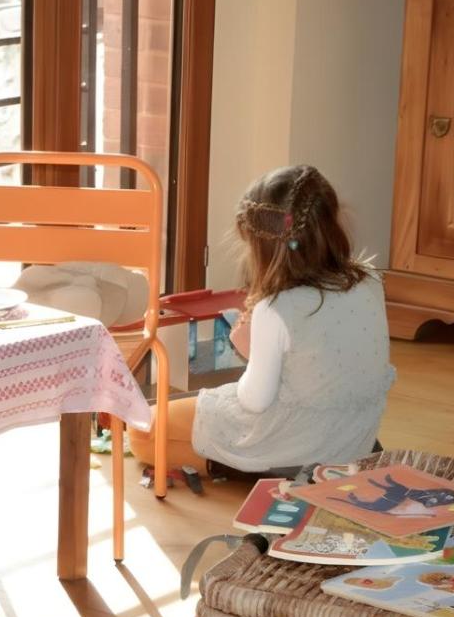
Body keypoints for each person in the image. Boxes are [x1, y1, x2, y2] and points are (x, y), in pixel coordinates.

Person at [129, 164, 394, 474]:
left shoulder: (277, 308)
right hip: (354, 437)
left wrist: (249, 348)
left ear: (261, 246)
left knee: (141, 432)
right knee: (181, 420)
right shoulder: (371, 280)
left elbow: (254, 401)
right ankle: (252, 462)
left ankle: (242, 466)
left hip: (291, 441)